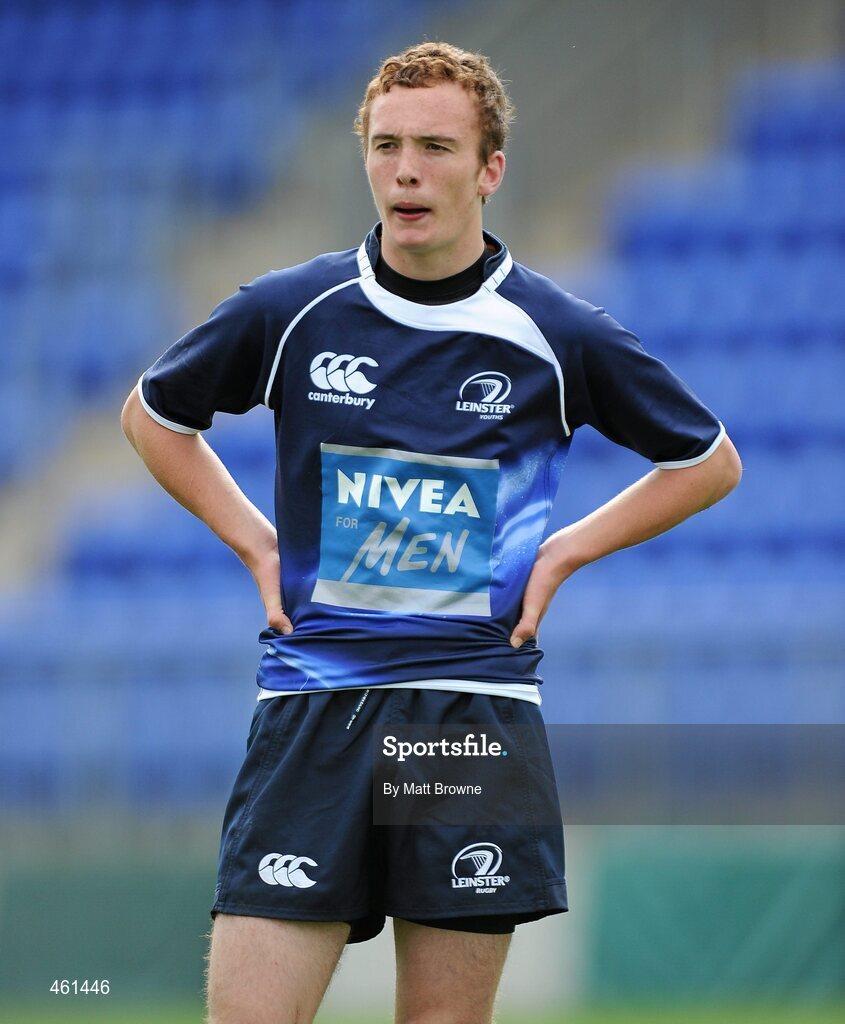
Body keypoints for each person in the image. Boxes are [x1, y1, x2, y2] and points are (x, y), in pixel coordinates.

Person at [121, 40, 741, 1024]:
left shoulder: (556, 332)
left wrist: (565, 550)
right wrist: (254, 542)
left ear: (489, 170)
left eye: (435, 148)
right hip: (315, 704)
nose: (405, 171)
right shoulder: (292, 310)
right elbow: (154, 416)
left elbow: (706, 460)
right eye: (386, 145)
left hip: (469, 711)